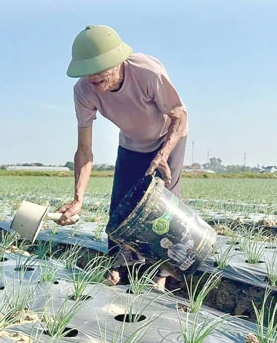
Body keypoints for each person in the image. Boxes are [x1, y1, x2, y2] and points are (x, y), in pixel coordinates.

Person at [56, 25, 188, 290]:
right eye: (87, 70)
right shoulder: (83, 91)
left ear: (117, 61)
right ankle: (119, 269)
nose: (92, 77)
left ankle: (163, 275)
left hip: (167, 138)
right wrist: (78, 199)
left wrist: (163, 155)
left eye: (99, 68)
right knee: (119, 209)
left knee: (163, 209)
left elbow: (179, 115)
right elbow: (84, 150)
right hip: (131, 144)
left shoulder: (148, 73)